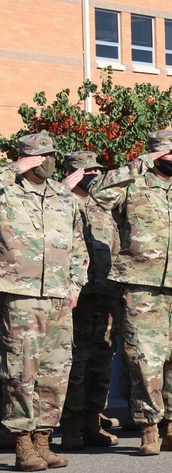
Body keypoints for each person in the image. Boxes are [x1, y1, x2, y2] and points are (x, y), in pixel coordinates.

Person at [91, 129, 172, 456]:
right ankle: (149, 430)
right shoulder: (131, 185)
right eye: (169, 153)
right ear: (153, 154)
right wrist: (135, 166)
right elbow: (97, 193)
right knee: (144, 360)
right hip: (142, 288)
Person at [0, 134, 86, 471]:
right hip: (21, 294)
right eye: (41, 156)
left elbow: (78, 245)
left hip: (59, 295)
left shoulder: (63, 196)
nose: (48, 161)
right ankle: (22, 445)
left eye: (52, 154)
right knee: (21, 371)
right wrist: (12, 170)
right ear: (26, 158)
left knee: (55, 371)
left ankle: (42, 441)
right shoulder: (7, 191)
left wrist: (76, 284)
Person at [60, 151, 120, 452]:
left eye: (98, 171)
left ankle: (93, 423)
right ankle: (70, 428)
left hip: (106, 294)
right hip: (76, 298)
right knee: (75, 364)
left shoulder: (104, 207)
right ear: (73, 173)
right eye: (88, 171)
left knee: (102, 361)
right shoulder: (61, 202)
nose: (95, 175)